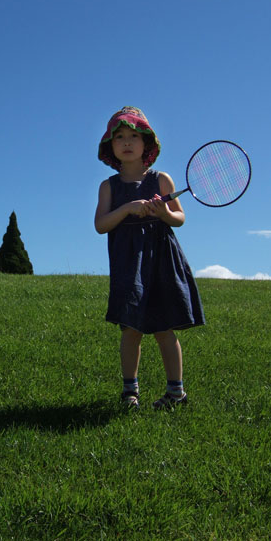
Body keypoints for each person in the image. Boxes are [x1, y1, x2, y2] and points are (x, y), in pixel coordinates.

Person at [94, 106, 205, 410]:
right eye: (119, 137)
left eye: (134, 136)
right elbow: (101, 225)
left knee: (164, 328)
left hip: (162, 261)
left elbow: (179, 219)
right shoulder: (109, 187)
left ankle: (176, 393)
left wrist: (163, 212)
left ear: (147, 144)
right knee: (131, 328)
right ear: (111, 147)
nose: (127, 142)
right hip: (129, 264)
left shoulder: (162, 180)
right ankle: (130, 392)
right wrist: (128, 209)